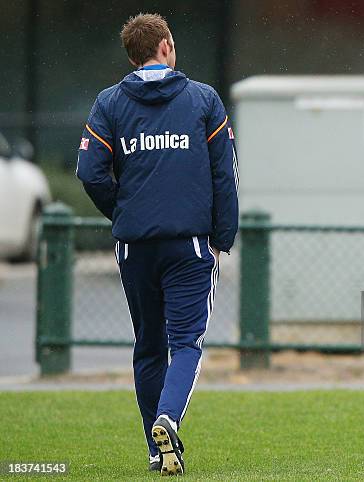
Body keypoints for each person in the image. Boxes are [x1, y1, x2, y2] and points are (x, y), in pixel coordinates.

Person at [76, 13, 239, 475]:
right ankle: (168, 420)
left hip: (134, 246)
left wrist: (124, 211)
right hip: (189, 244)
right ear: (166, 45)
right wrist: (223, 236)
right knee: (184, 342)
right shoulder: (203, 99)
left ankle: (154, 446)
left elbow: (89, 173)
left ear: (133, 56)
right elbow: (224, 174)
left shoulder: (109, 103)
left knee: (148, 346)